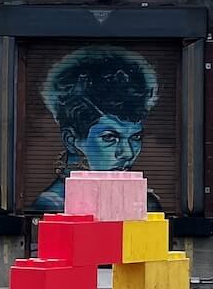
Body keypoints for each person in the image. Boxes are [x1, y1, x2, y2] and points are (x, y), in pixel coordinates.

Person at [33, 45, 162, 213]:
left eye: (135, 138)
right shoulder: (54, 205)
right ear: (71, 140)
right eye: (110, 138)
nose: (128, 153)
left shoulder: (144, 202)